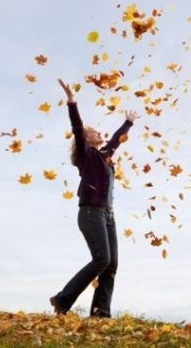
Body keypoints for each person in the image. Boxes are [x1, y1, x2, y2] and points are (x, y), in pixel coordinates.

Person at [50, 79, 140, 317]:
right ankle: (62, 300)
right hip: (90, 212)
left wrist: (128, 123)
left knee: (111, 265)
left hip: (107, 215)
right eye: (96, 131)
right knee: (101, 259)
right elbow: (78, 127)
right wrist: (71, 101)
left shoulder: (104, 156)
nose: (101, 133)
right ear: (88, 138)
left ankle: (100, 313)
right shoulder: (86, 154)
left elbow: (114, 142)